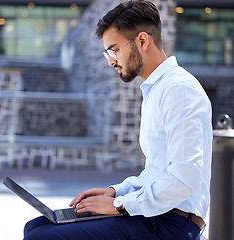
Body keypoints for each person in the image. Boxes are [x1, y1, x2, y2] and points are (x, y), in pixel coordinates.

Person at [23, 0, 212, 239]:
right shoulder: (156, 89)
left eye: (114, 50)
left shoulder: (179, 90)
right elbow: (156, 173)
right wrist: (115, 192)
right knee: (37, 226)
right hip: (156, 215)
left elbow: (185, 179)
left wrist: (120, 205)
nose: (111, 60)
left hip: (171, 225)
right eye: (107, 53)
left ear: (142, 41)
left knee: (40, 237)